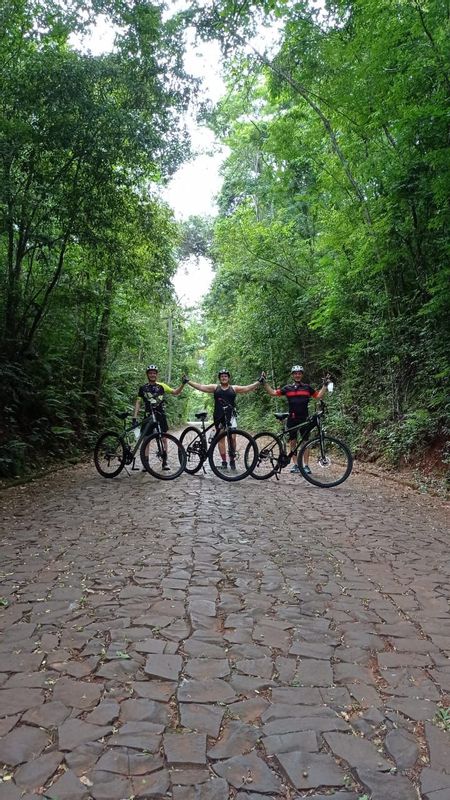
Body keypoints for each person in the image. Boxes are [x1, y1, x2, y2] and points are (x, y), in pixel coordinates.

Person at [184, 369, 261, 470]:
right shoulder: (215, 388)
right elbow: (201, 387)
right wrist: (188, 381)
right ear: (219, 378)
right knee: (221, 439)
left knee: (232, 438)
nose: (223, 378)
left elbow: (247, 388)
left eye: (225, 376)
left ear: (228, 378)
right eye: (222, 376)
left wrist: (259, 382)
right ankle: (224, 462)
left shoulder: (234, 388)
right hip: (219, 416)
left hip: (231, 416)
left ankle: (232, 459)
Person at [261, 365, 329, 473]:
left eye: (299, 373)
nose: (297, 375)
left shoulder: (307, 387)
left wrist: (325, 385)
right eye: (295, 373)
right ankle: (296, 465)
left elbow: (318, 396)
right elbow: (273, 393)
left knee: (305, 442)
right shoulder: (287, 388)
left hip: (305, 418)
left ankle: (306, 466)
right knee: (293, 442)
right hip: (292, 418)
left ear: (302, 375)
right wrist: (264, 383)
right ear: (292, 375)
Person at [133, 365, 185, 467]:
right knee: (146, 440)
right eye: (150, 373)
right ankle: (145, 463)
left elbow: (175, 392)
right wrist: (134, 417)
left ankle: (165, 461)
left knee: (164, 438)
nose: (152, 375)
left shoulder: (162, 386)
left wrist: (183, 384)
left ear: (157, 375)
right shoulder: (143, 388)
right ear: (147, 374)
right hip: (148, 416)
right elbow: (138, 402)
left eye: (154, 373)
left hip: (160, 415)